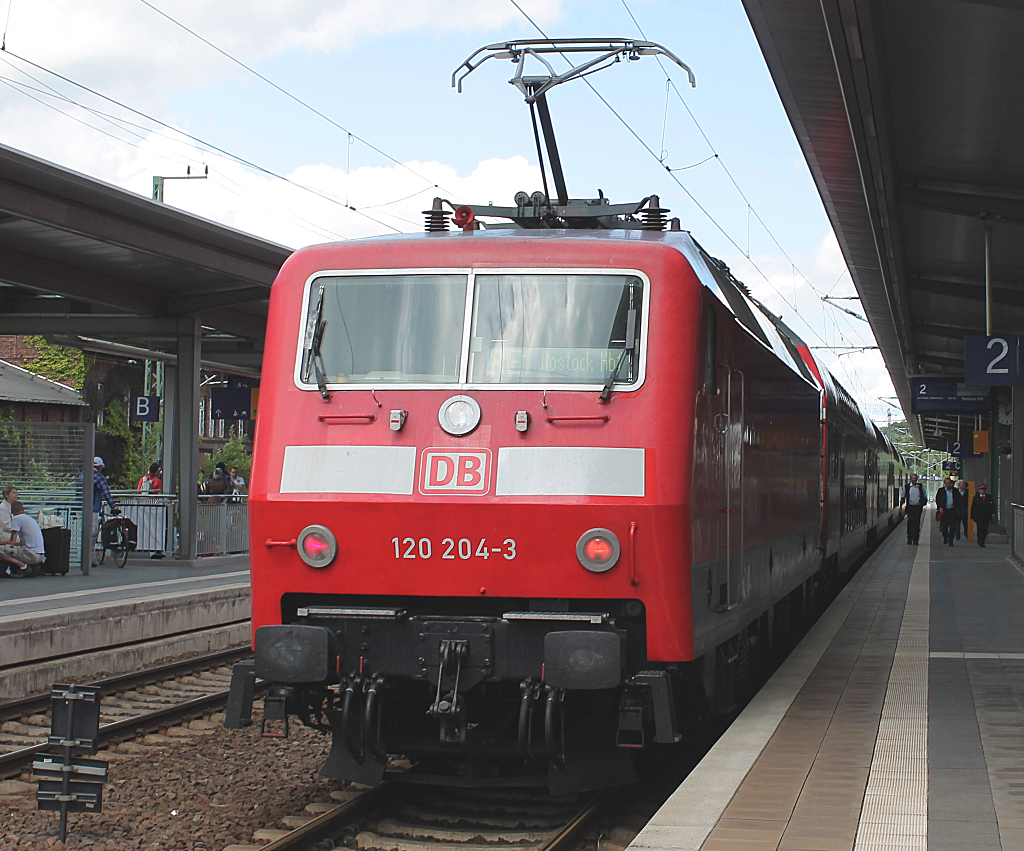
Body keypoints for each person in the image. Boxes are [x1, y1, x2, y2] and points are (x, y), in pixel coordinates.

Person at [0, 500, 45, 576]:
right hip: (41, 556)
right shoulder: (30, 519)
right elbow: (21, 543)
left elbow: (12, 542)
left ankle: (23, 566)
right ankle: (33, 566)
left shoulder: (16, 519)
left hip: (30, 555)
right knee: (11, 549)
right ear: (23, 509)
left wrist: (1, 542)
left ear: (12, 511)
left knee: (1, 550)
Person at [91, 457, 119, 566]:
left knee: (82, 533)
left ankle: (81, 557)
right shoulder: (99, 477)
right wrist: (114, 507)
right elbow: (106, 493)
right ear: (101, 467)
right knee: (92, 534)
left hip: (80, 508)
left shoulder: (82, 475)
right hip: (93, 509)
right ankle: (90, 558)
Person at [936, 477, 963, 546]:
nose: (948, 484)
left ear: (951, 484)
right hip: (944, 511)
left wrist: (958, 509)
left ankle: (950, 541)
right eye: (946, 483)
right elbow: (938, 499)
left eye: (949, 483)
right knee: (944, 526)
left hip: (953, 510)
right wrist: (940, 507)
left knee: (953, 526)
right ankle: (945, 536)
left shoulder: (955, 491)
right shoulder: (941, 491)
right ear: (944, 484)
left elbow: (959, 500)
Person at [901, 474, 927, 545]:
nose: (914, 480)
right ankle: (909, 538)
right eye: (912, 478)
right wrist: (900, 507)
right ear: (910, 479)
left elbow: (924, 495)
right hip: (910, 507)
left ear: (917, 479)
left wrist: (922, 503)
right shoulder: (907, 487)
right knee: (910, 522)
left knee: (916, 523)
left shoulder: (920, 487)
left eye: (915, 478)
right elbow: (903, 497)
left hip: (918, 507)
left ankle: (915, 539)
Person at [971, 483, 997, 547]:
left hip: (986, 516)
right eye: (981, 489)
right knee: (980, 529)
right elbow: (973, 507)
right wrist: (973, 517)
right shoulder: (976, 497)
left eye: (984, 489)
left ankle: (983, 540)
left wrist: (993, 513)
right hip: (979, 516)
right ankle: (980, 540)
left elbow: (992, 506)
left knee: (985, 529)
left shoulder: (989, 497)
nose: (983, 490)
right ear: (979, 490)